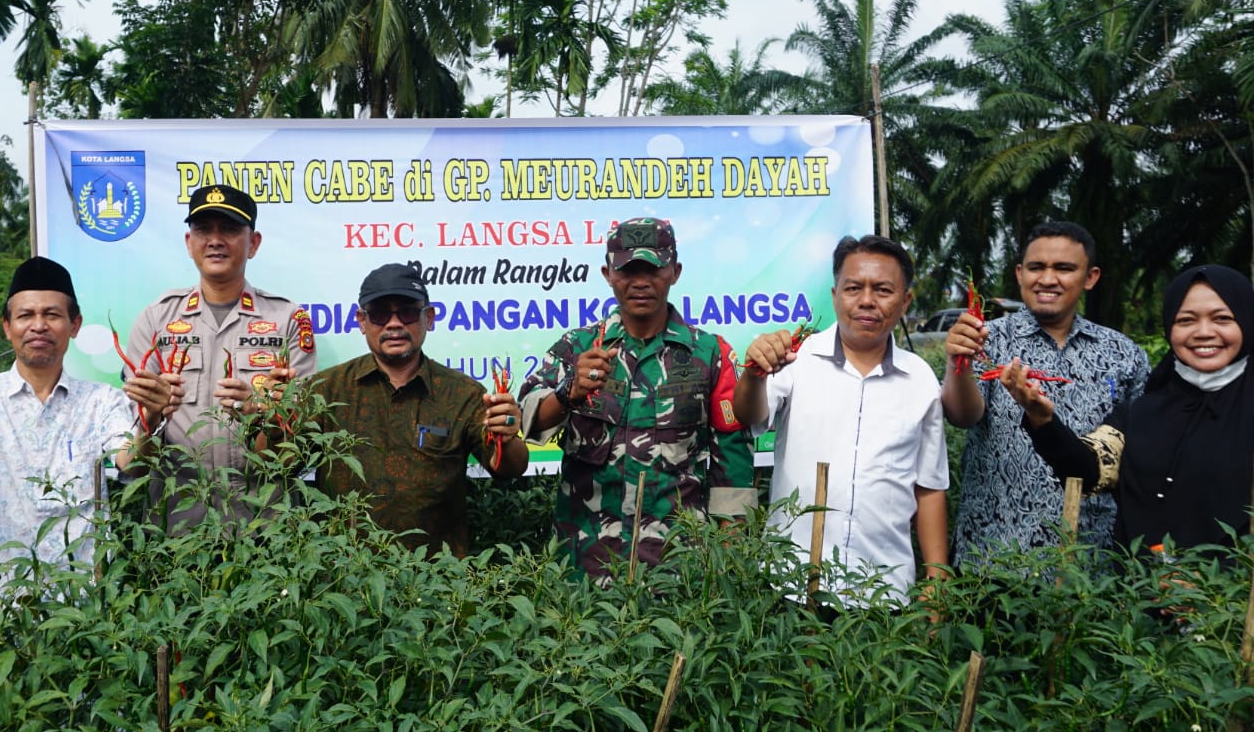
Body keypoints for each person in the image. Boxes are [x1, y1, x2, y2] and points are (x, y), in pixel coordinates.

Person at [0, 257, 181, 604]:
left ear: (75, 324)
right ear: (7, 326)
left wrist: (151, 419)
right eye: (25, 315)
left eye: (52, 315)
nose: (39, 326)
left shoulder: (102, 400)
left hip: (82, 605)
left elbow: (132, 463)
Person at [517, 217, 755, 581]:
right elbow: (528, 419)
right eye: (628, 270)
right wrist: (569, 393)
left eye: (654, 269)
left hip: (679, 568)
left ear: (674, 272)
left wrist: (732, 558)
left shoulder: (709, 354)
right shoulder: (577, 348)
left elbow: (732, 460)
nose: (640, 282)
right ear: (608, 274)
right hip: (585, 565)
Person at [733, 235, 948, 607]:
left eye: (882, 289)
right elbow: (749, 415)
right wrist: (754, 374)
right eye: (854, 288)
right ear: (835, 295)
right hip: (792, 584)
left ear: (905, 301)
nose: (867, 300)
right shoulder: (795, 360)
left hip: (883, 591)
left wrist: (936, 582)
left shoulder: (921, 379)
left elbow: (929, 486)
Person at [1001, 264, 1254, 554]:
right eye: (1186, 320)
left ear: (1246, 322)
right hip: (1139, 593)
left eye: (1222, 319)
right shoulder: (1141, 412)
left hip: (1228, 595)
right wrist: (1042, 419)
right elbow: (1087, 471)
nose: (1204, 332)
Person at [944, 222, 1149, 566]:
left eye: (1064, 268)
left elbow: (1139, 450)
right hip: (995, 556)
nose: (1048, 279)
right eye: (1037, 267)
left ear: (1090, 277)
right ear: (1020, 274)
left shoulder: (1124, 354)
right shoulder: (987, 338)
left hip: (1092, 560)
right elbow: (963, 416)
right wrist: (957, 362)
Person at [127, 184, 316, 529]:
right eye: (203, 230)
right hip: (178, 527)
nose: (215, 240)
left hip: (264, 526)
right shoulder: (156, 320)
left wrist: (260, 418)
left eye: (229, 229)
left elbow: (294, 453)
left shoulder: (287, 320)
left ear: (253, 243)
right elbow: (131, 464)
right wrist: (150, 417)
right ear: (189, 243)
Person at [304, 264, 527, 556]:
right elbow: (279, 463)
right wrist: (275, 416)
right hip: (343, 581)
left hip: (438, 582)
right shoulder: (325, 390)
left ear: (429, 318)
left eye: (407, 312)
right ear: (361, 320)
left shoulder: (463, 394)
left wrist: (507, 435)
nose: (394, 324)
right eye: (380, 313)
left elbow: (508, 468)